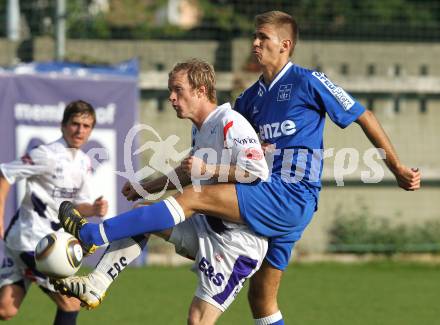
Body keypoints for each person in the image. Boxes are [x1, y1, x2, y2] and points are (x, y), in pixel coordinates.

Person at [57, 11, 421, 325]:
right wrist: (150, 183)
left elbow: (364, 115)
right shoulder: (248, 100)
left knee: (196, 197)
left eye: (264, 37)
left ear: (285, 45)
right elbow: (209, 153)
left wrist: (397, 167)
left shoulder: (308, 82)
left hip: (290, 196)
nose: (255, 43)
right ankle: (98, 274)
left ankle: (94, 236)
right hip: (264, 197)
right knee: (262, 302)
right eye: (254, 36)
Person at [53, 59, 269, 324]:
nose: (171, 97)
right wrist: (147, 187)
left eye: (178, 90)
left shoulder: (230, 122)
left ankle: (92, 234)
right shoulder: (200, 128)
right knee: (144, 214)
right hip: (207, 228)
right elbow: (188, 172)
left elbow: (257, 171)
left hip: (237, 244)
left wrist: (209, 168)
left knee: (198, 321)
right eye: (170, 90)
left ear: (201, 91)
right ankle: (95, 284)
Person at [0, 100, 108, 325]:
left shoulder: (83, 162)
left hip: (39, 243)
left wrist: (94, 209)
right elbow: (5, 174)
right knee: (71, 301)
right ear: (63, 125)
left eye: (86, 126)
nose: (80, 130)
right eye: (75, 124)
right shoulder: (46, 154)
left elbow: (75, 207)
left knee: (6, 310)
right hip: (30, 242)